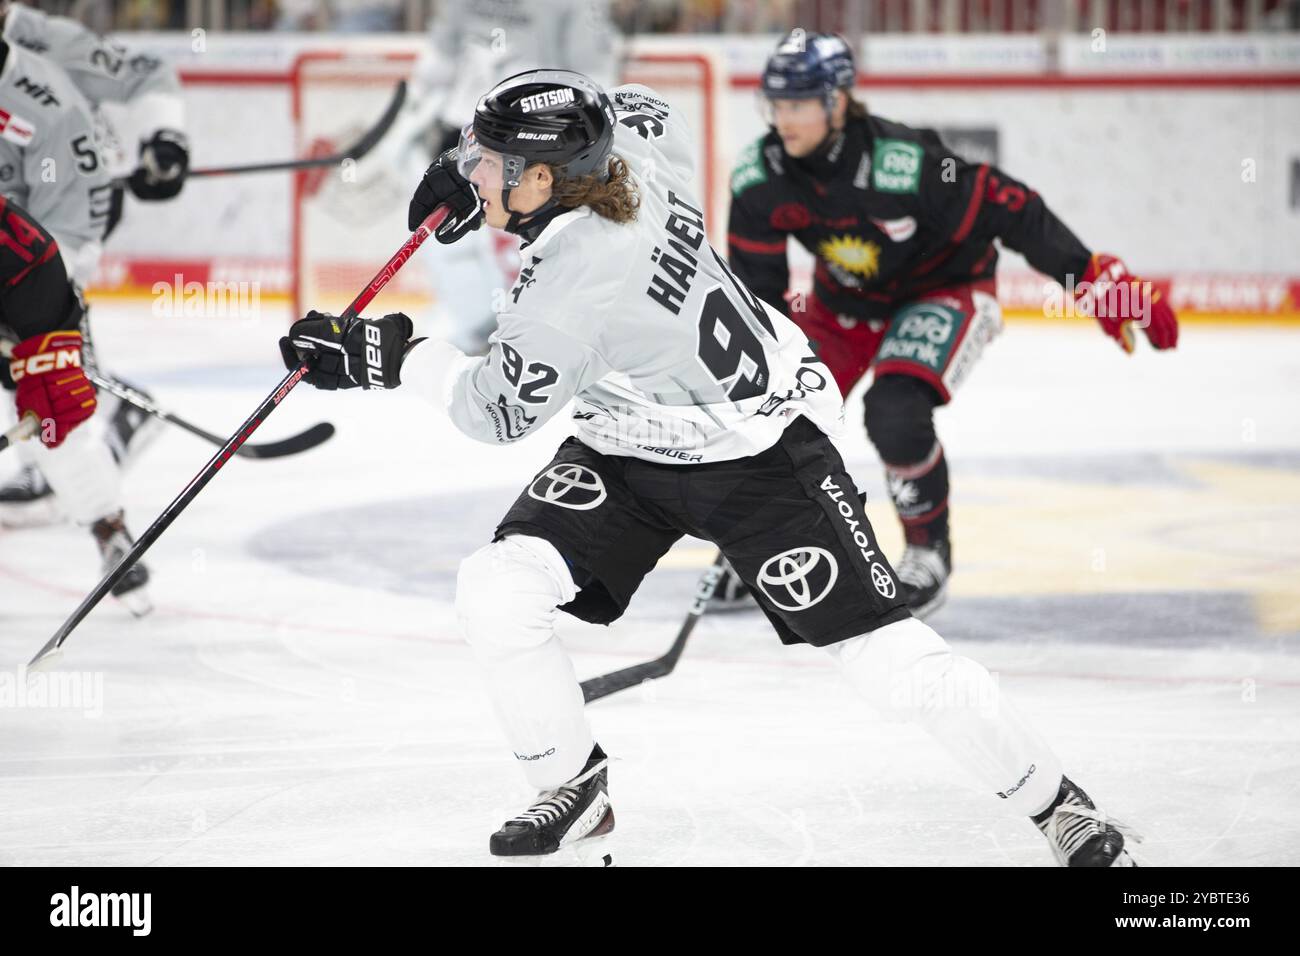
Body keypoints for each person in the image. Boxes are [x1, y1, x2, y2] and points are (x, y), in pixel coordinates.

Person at [280, 68, 1137, 867]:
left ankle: (1058, 804)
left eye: (490, 162)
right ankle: (571, 789)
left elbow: (493, 411)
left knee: (888, 661)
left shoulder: (571, 290)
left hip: (759, 456)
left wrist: (382, 356)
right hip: (632, 441)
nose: (474, 171)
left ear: (543, 180)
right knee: (496, 589)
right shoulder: (632, 152)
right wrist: (479, 166)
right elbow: (634, 102)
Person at [725, 31, 1179, 617]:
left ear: (837, 101)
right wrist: (770, 379)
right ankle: (781, 551)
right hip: (843, 307)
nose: (782, 119)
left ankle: (926, 554)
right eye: (775, 104)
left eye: (797, 103)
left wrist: (1087, 276)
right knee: (773, 414)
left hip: (945, 290)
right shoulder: (759, 177)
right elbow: (761, 296)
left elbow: (1008, 205)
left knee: (895, 411)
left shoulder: (903, 163)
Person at [0, 1, 189, 523]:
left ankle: (76, 439)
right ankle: (84, 427)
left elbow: (147, 75)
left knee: (34, 327)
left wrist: (164, 141)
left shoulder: (41, 42)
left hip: (66, 205)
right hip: (20, 209)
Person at [375, 0, 620, 353]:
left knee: (530, 235)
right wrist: (414, 115)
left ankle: (529, 329)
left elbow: (594, 74)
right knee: (453, 236)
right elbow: (442, 52)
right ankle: (475, 327)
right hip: (463, 127)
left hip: (536, 140)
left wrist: (584, 139)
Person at [0, 32, 150, 610]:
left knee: (52, 414)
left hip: (31, 270)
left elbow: (67, 238)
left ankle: (109, 530)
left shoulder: (46, 105)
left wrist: (41, 335)